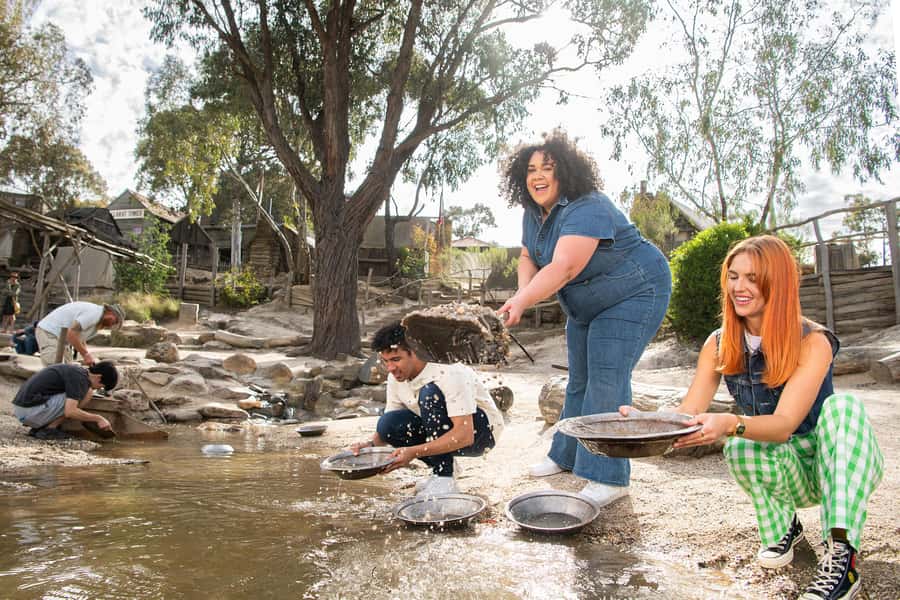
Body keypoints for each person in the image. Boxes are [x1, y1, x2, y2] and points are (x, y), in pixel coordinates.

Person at [623, 235, 882, 600]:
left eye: (753, 278)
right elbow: (688, 412)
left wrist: (730, 423)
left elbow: (786, 423)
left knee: (844, 409)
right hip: (787, 467)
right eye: (733, 276)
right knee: (742, 446)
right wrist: (643, 422)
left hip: (836, 466)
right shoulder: (720, 342)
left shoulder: (812, 341)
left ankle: (842, 556)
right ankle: (784, 528)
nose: (739, 287)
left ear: (778, 282)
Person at [497, 131, 671, 507]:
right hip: (585, 304)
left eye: (548, 167)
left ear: (567, 171)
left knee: (606, 378)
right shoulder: (533, 213)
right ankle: (565, 455)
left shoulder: (587, 205)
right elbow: (529, 256)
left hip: (633, 291)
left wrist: (521, 301)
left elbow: (563, 267)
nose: (537, 175)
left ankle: (609, 478)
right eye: (530, 169)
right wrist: (520, 293)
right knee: (578, 381)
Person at [349, 321, 504, 497]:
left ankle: (444, 477)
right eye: (386, 361)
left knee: (430, 393)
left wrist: (414, 452)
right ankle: (446, 470)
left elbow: (465, 434)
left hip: (481, 434)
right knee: (387, 424)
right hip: (441, 429)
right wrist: (369, 447)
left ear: (414, 352)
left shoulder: (449, 371)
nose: (390, 368)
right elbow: (392, 421)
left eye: (396, 359)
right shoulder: (396, 378)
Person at [13, 360, 118, 440]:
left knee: (85, 393)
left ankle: (41, 428)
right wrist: (98, 418)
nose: (98, 389)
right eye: (102, 386)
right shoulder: (81, 379)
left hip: (24, 410)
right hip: (29, 411)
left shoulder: (78, 372)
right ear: (99, 377)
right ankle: (49, 430)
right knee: (86, 394)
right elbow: (70, 412)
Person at [35, 301, 125, 366]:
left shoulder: (97, 322)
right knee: (56, 369)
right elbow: (71, 333)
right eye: (115, 320)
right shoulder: (95, 313)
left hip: (62, 339)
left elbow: (80, 337)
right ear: (110, 312)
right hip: (49, 332)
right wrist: (85, 354)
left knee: (68, 369)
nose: (113, 324)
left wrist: (87, 355)